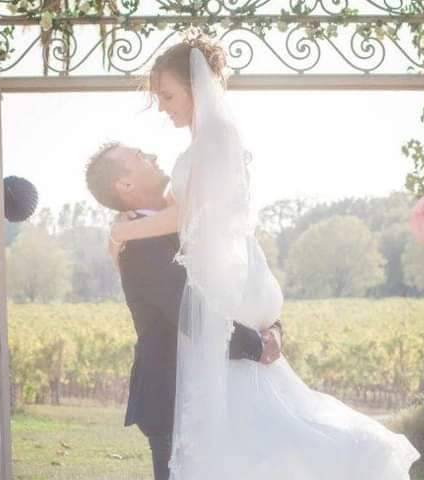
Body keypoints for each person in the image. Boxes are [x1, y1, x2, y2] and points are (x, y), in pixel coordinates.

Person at [108, 37, 421, 479]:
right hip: (223, 281)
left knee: (236, 427)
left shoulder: (215, 138)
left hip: (220, 284)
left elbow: (185, 216)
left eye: (168, 96)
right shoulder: (210, 140)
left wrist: (124, 229)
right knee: (244, 428)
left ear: (196, 89)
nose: (162, 107)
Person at [85, 142, 283, 480]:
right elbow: (191, 315)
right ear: (126, 185)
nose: (153, 155)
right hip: (175, 400)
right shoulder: (138, 247)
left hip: (221, 389)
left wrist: (273, 327)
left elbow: (243, 284)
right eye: (141, 157)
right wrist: (257, 345)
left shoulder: (195, 225)